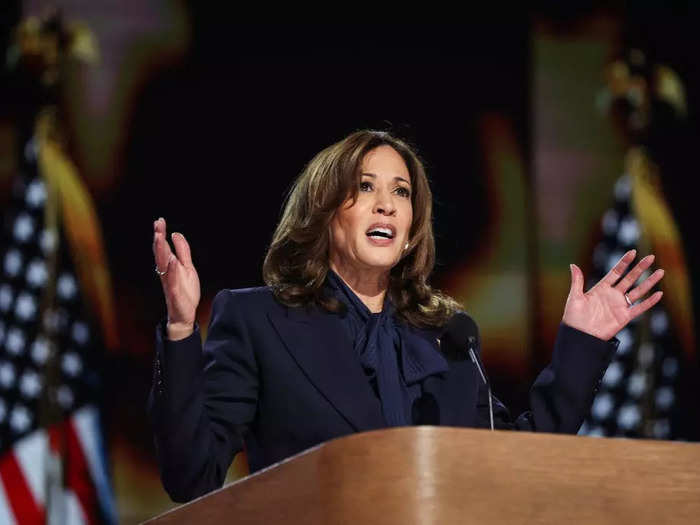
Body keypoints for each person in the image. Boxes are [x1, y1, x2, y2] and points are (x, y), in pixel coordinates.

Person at [148, 130, 664, 503]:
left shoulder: (446, 335)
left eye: (401, 192)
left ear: (415, 224)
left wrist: (581, 342)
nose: (387, 206)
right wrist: (179, 327)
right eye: (366, 187)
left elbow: (510, 463)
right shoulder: (261, 320)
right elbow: (192, 475)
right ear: (325, 212)